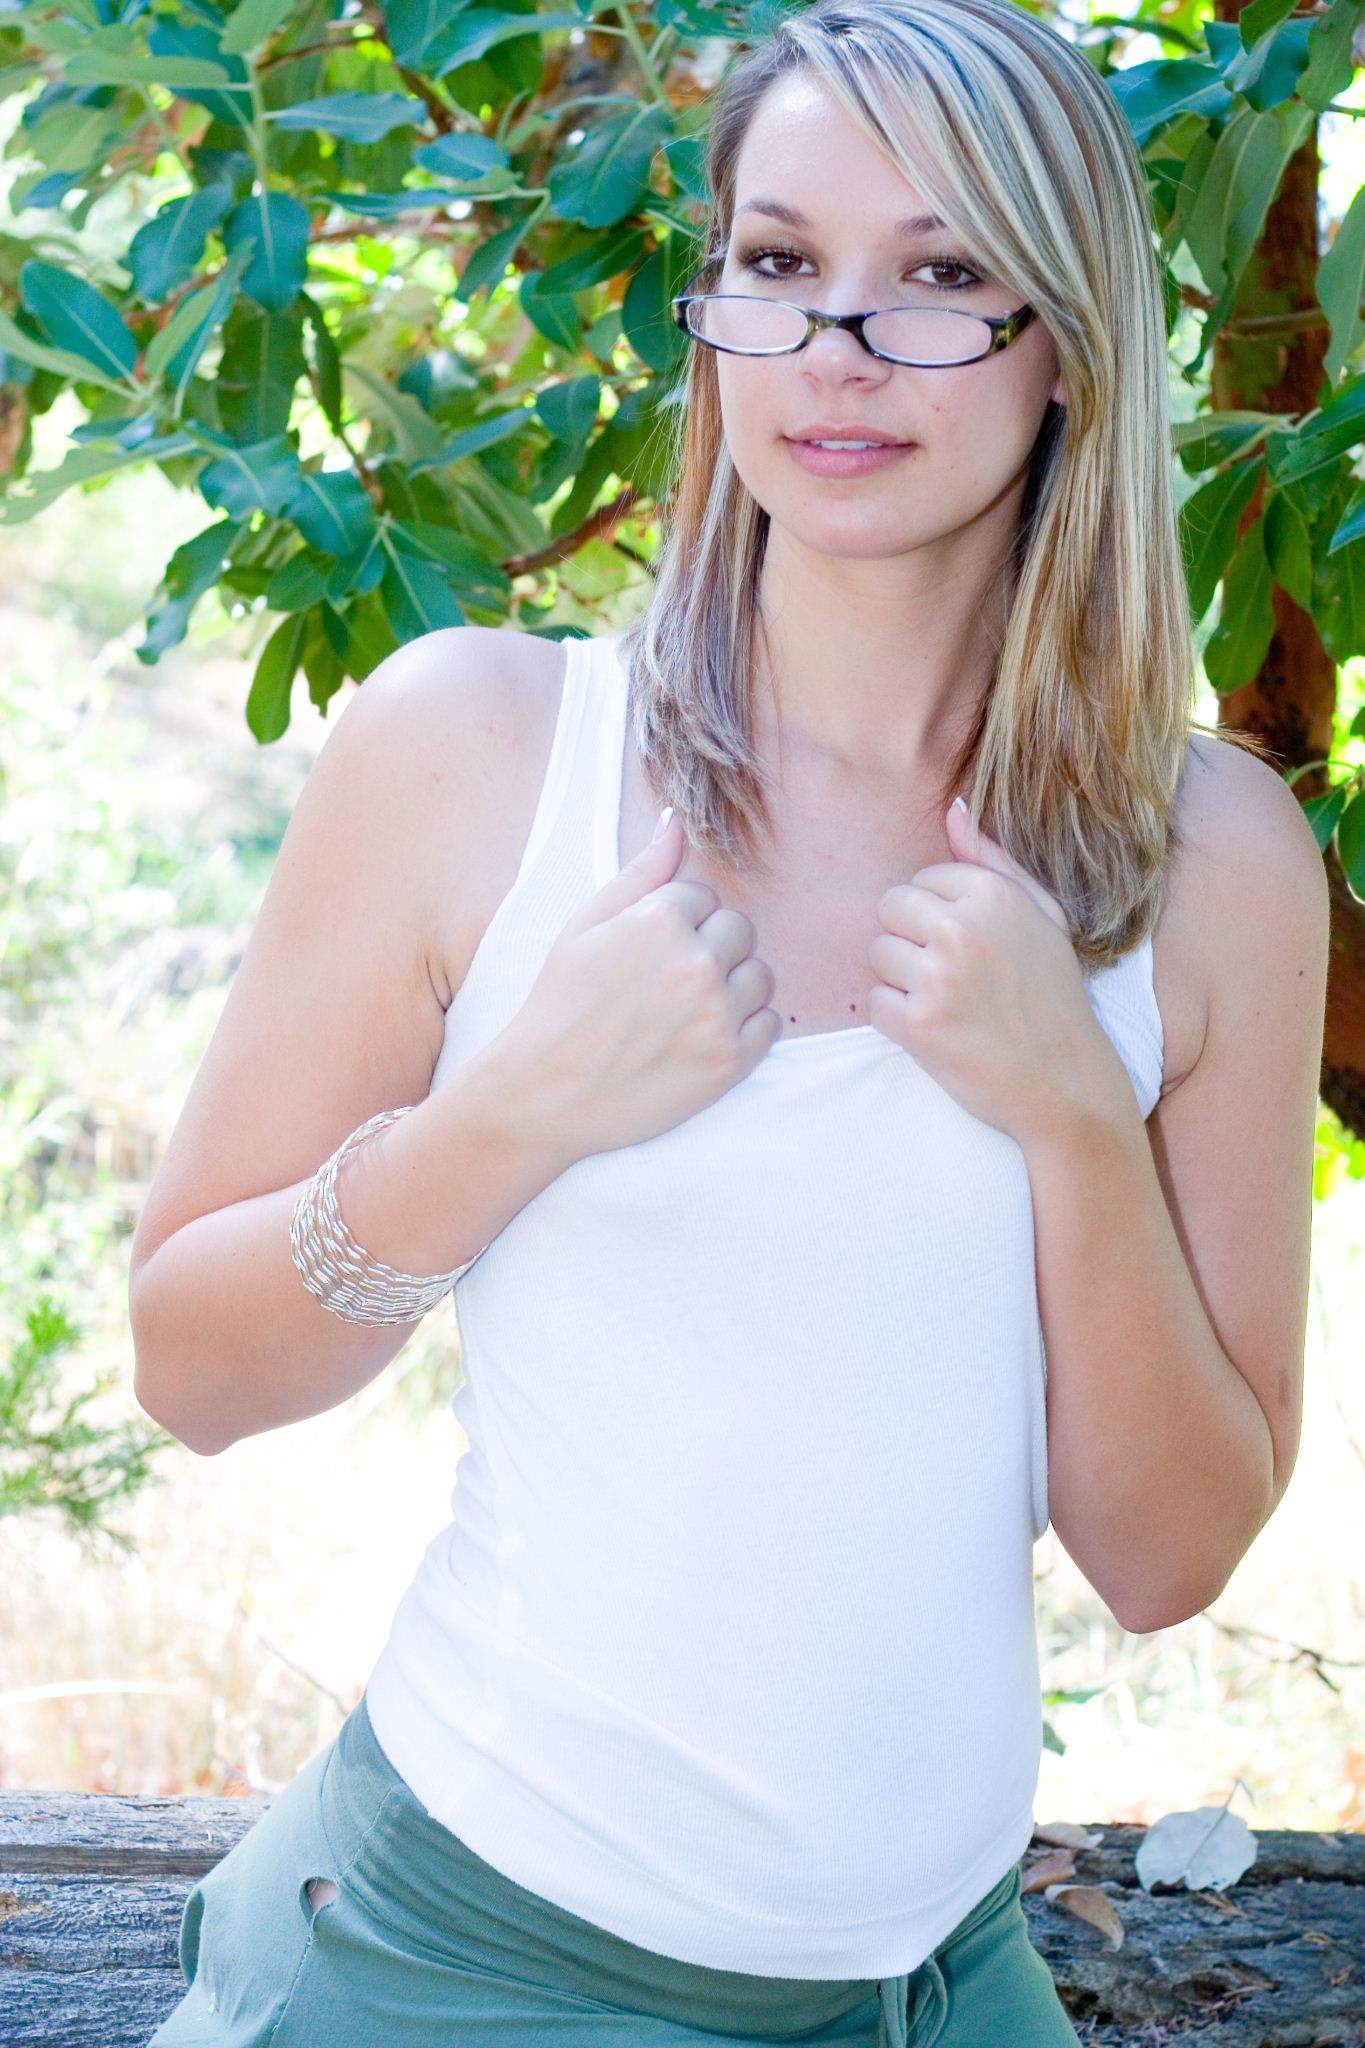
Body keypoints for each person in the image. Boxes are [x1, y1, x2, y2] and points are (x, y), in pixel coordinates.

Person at [131, 0, 1328, 2041]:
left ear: (1067, 345)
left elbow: (1166, 1557)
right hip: (469, 1959)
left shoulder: (1209, 857)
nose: (834, 349)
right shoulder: (480, 748)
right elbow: (191, 1369)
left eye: (937, 276)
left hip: (931, 1978)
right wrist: (506, 1120)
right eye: (779, 262)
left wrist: (1066, 1114)